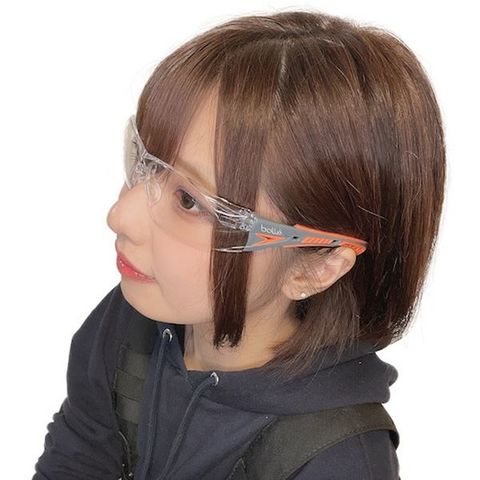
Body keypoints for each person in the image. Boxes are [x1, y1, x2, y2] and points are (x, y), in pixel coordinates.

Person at [32, 9, 446, 480]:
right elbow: (76, 458)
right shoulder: (131, 323)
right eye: (145, 163)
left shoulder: (336, 463)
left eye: (189, 200)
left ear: (315, 268)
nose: (119, 216)